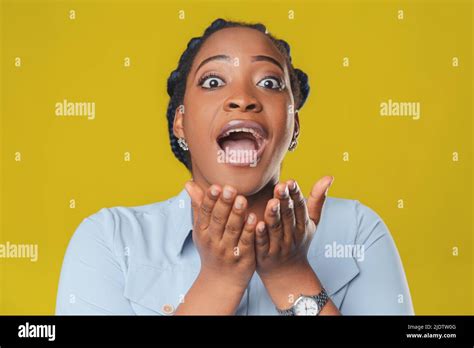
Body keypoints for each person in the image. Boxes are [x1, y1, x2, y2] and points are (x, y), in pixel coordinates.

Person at [56, 18, 414, 315]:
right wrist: (219, 281)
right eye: (213, 81)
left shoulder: (357, 233)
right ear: (180, 122)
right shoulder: (110, 240)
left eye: (269, 83)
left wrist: (290, 274)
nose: (243, 99)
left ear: (294, 127)